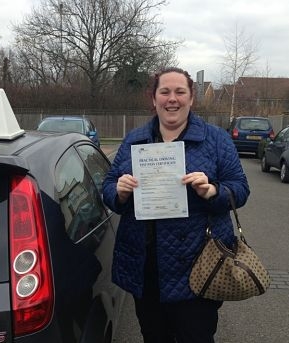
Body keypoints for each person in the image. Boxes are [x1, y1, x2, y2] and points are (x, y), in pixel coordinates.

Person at [102, 67, 250, 343]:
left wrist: (213, 190)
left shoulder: (215, 139)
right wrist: (118, 192)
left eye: (180, 92)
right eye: (165, 92)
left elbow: (240, 189)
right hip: (145, 268)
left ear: (191, 98)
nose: (172, 99)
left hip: (199, 268)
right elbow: (108, 187)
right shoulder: (135, 140)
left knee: (197, 336)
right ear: (154, 99)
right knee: (153, 336)